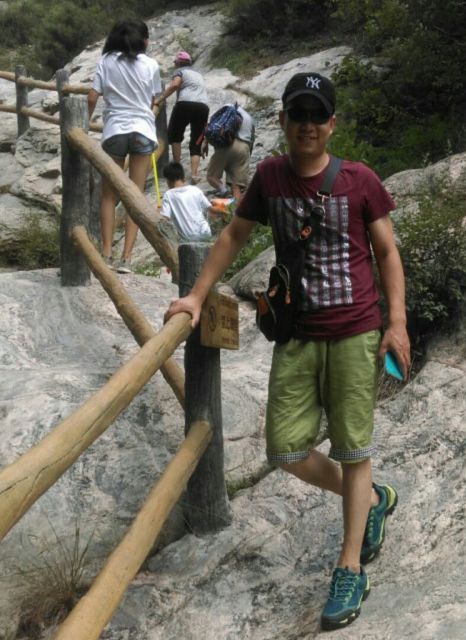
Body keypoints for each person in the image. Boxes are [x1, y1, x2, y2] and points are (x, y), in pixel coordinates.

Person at [164, 71, 410, 632]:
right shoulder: (271, 177)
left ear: (332, 124)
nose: (308, 124)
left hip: (354, 332)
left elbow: (387, 252)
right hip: (296, 335)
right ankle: (372, 501)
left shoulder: (361, 181)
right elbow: (233, 235)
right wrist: (195, 297)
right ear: (283, 120)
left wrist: (396, 324)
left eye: (317, 115)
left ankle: (349, 566)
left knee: (353, 448)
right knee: (285, 449)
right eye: (298, 113)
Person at [88, 20, 161, 274]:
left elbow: (92, 96)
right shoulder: (151, 65)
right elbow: (153, 99)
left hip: (115, 132)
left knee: (109, 195)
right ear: (144, 41)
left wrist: (84, 124)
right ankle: (127, 259)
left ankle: (107, 254)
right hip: (142, 131)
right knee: (135, 196)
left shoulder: (106, 61)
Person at [154, 51, 209, 184]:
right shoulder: (198, 75)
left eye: (175, 63)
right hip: (203, 106)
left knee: (175, 136)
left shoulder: (180, 71)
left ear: (178, 63)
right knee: (196, 141)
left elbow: (175, 85)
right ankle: (194, 175)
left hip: (185, 104)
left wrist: (160, 99)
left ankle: (177, 170)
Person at [203, 103, 254, 203]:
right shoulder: (249, 118)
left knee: (212, 176)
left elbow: (213, 126)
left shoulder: (227, 108)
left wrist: (205, 142)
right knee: (237, 186)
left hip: (227, 146)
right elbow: (252, 140)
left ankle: (224, 191)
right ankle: (236, 209)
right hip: (244, 148)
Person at [160, 161, 222, 241]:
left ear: (168, 180)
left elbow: (165, 218)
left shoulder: (168, 195)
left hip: (188, 237)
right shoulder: (195, 190)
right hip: (205, 232)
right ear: (184, 178)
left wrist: (159, 212)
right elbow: (212, 209)